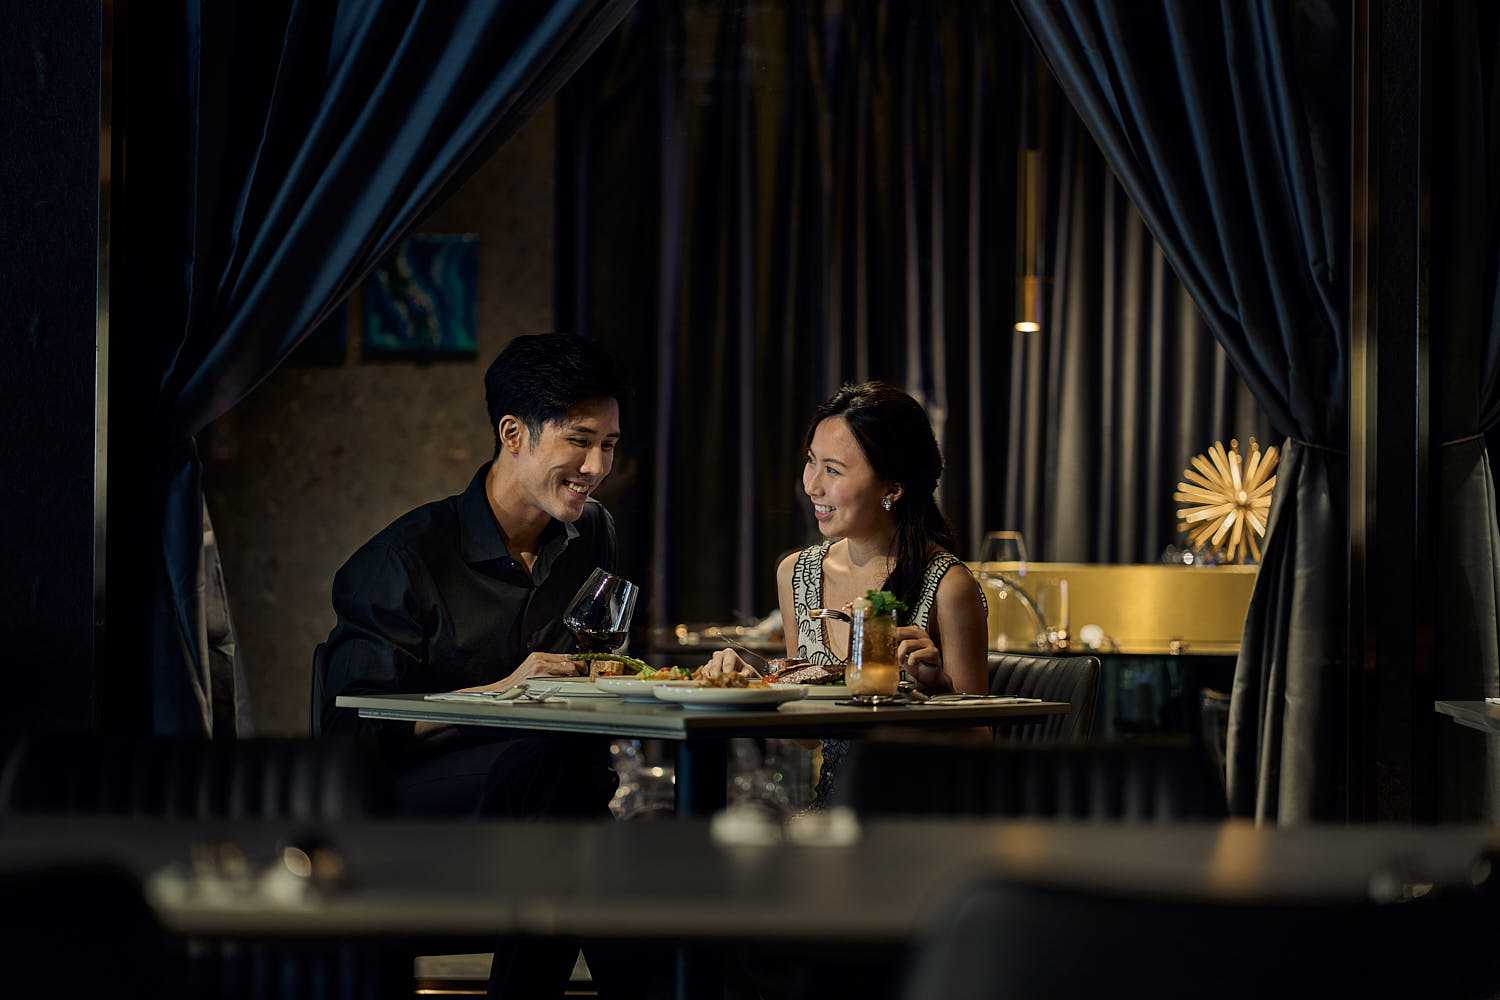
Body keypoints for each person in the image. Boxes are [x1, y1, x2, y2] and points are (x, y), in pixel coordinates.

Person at [312, 332, 638, 997]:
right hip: (410, 801)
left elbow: (606, 656)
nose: (597, 466)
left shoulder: (593, 534)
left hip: (550, 797)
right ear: (513, 433)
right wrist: (502, 695)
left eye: (608, 444)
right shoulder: (402, 561)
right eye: (579, 440)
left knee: (585, 789)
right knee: (564, 782)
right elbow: (350, 734)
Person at [702, 380, 989, 805]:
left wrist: (939, 689)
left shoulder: (947, 584)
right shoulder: (797, 573)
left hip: (924, 819)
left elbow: (980, 744)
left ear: (891, 488)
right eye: (811, 462)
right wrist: (757, 688)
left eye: (833, 470)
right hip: (832, 815)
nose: (811, 485)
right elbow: (808, 740)